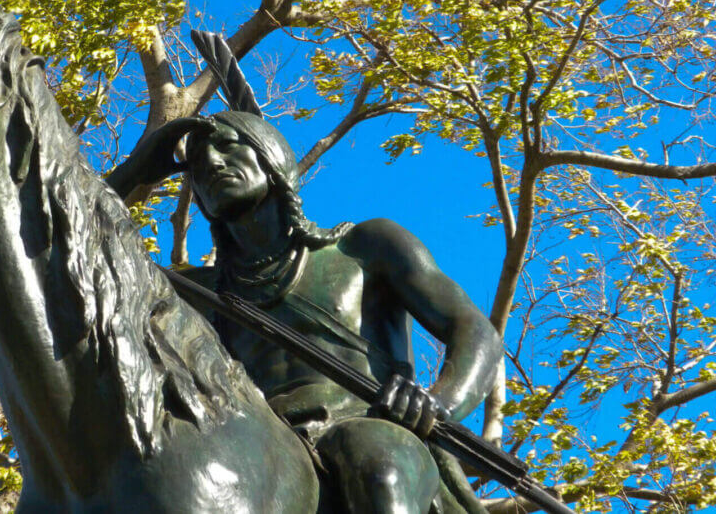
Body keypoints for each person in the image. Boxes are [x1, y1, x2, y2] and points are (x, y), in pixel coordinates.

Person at [107, 110, 503, 514]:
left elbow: (472, 327)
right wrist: (136, 170)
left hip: (366, 424)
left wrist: (439, 401)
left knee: (377, 469)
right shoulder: (194, 291)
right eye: (197, 164)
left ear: (271, 156)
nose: (211, 163)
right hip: (261, 444)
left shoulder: (364, 245)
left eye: (227, 146)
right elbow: (69, 249)